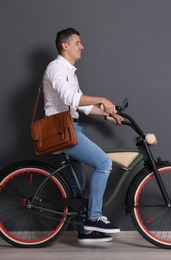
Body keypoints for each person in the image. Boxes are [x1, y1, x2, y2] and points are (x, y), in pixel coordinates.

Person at [42, 28, 123, 243]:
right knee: (103, 162)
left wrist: (108, 114)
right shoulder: (56, 68)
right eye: (78, 42)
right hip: (63, 131)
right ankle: (95, 218)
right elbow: (70, 97)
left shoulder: (69, 71)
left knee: (77, 185)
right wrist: (102, 98)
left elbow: (83, 107)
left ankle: (84, 230)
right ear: (65, 46)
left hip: (70, 127)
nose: (82, 46)